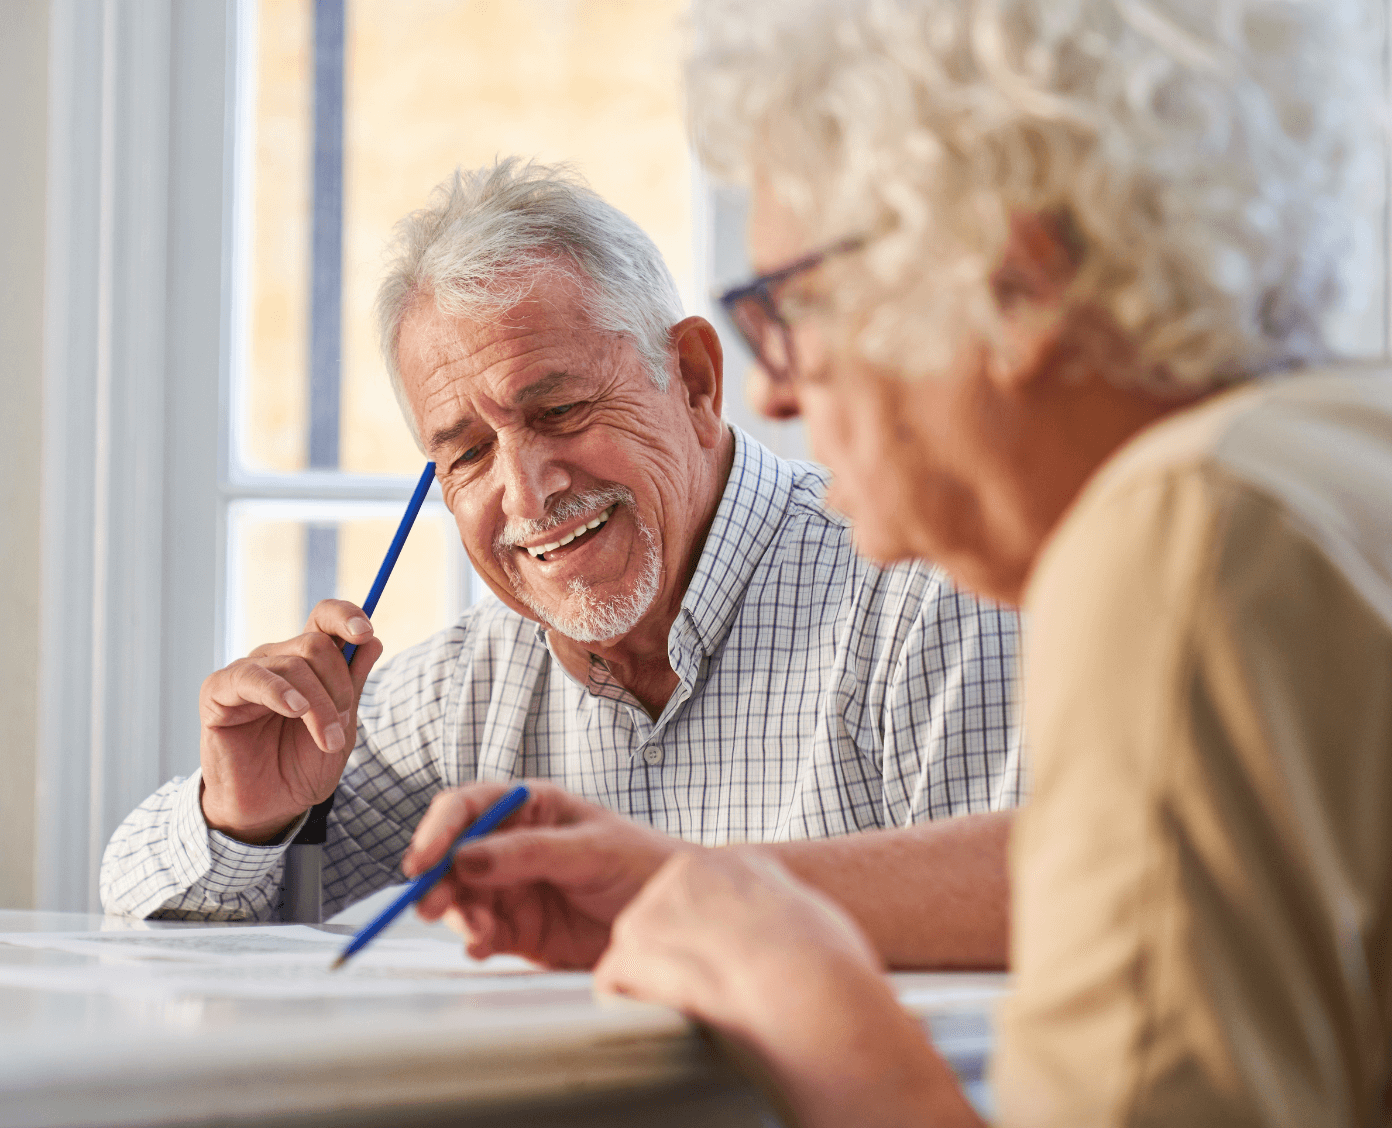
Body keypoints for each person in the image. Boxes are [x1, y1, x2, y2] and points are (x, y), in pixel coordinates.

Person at [408, 0, 1392, 1128]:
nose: (775, 399)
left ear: (1013, 280)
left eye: (794, 307)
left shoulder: (1177, 533)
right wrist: (705, 887)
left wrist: (791, 985)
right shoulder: (1336, 462)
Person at [101, 159, 1021, 968]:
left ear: (695, 381)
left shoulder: (927, 600)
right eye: (465, 454)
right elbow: (141, 902)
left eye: (561, 411)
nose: (529, 494)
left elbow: (1042, 927)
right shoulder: (474, 683)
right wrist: (244, 816)